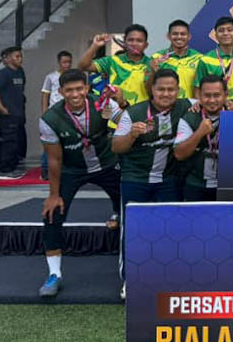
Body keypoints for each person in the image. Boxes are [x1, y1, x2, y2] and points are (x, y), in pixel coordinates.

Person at [38, 69, 124, 298]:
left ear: (87, 88)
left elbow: (127, 124)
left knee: (129, 206)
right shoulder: (49, 119)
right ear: (60, 92)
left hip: (108, 164)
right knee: (52, 214)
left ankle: (129, 264)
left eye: (79, 89)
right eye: (69, 90)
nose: (75, 94)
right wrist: (53, 195)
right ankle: (54, 273)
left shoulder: (103, 103)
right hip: (72, 169)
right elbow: (54, 159)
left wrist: (121, 105)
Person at [113, 69, 190, 297]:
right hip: (135, 179)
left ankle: (166, 278)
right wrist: (132, 135)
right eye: (161, 89)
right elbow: (116, 147)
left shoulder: (187, 106)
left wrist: (231, 106)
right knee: (132, 230)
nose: (166, 94)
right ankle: (130, 280)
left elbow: (212, 102)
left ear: (178, 90)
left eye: (171, 89)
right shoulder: (133, 113)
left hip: (168, 180)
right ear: (151, 90)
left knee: (170, 230)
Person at [174, 75, 228, 201]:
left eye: (217, 95)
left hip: (226, 184)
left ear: (226, 95)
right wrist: (199, 133)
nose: (212, 100)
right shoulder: (189, 117)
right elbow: (179, 154)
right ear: (199, 95)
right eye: (207, 95)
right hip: (195, 184)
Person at [77, 25, 153, 108]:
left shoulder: (152, 64)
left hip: (142, 113)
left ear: (146, 45)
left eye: (139, 41)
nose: (134, 44)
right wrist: (95, 46)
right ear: (124, 41)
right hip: (115, 113)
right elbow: (83, 66)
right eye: (130, 40)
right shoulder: (112, 61)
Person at [0, 46, 27, 180]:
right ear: (9, 58)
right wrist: (0, 106)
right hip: (8, 113)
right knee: (9, 142)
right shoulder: (3, 73)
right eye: (17, 56)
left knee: (18, 141)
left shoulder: (20, 72)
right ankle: (5, 170)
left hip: (19, 112)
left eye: (20, 56)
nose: (20, 59)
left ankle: (14, 167)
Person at [196, 16, 233, 103]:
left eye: (230, 30)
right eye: (221, 31)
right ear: (216, 35)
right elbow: (198, 87)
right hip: (214, 105)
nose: (225, 33)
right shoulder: (205, 60)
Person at [149, 19, 204, 99]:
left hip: (190, 105)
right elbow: (149, 90)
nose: (179, 37)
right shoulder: (156, 57)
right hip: (166, 104)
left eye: (183, 34)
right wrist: (153, 72)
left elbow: (202, 87)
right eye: (175, 34)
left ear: (189, 36)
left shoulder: (199, 58)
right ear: (168, 36)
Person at [40, 51, 73, 180]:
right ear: (59, 62)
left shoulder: (72, 77)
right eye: (64, 62)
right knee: (50, 140)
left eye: (69, 62)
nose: (67, 65)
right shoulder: (51, 77)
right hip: (54, 113)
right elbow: (45, 94)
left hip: (69, 113)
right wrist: (44, 112)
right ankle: (45, 169)